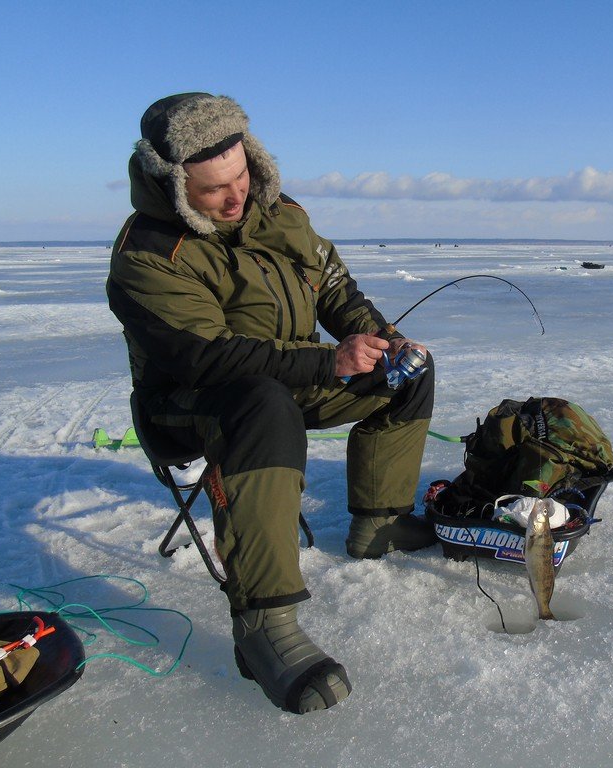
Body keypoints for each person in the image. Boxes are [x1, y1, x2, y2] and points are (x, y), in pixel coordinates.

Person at [106, 93, 437, 714]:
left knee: (406, 374)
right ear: (170, 184)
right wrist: (325, 362)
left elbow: (334, 286)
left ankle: (380, 521)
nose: (236, 199)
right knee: (261, 402)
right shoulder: (147, 255)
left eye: (243, 176)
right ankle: (263, 625)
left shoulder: (276, 211)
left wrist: (384, 342)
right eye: (212, 191)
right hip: (191, 406)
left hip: (290, 381)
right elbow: (207, 359)